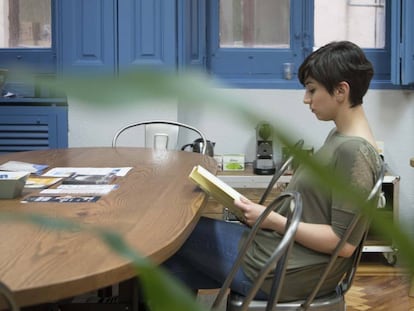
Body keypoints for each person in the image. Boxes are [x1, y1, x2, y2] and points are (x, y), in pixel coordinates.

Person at [163, 41, 383, 302]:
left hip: (283, 269)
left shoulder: (354, 152)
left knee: (171, 235)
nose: (306, 99)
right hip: (276, 251)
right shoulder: (341, 137)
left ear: (340, 91)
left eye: (312, 90)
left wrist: (272, 221)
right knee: (172, 267)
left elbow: (343, 243)